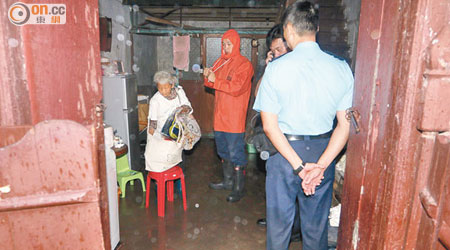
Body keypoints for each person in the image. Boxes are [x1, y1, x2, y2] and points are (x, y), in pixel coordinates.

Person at [253, 1, 354, 250]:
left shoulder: (276, 70)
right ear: (316, 28)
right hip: (323, 152)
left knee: (279, 230)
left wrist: (299, 167)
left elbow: (268, 126)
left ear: (288, 29)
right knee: (315, 230)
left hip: (284, 153)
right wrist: (319, 166)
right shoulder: (341, 68)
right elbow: (344, 125)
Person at [253, 24, 301, 243]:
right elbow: (258, 96)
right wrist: (269, 68)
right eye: (273, 52)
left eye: (280, 50)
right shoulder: (275, 68)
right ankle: (279, 223)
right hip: (275, 139)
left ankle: (294, 228)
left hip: (298, 139)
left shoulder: (300, 69)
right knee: (278, 192)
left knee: (299, 191)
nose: (277, 55)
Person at [203, 29, 254, 202]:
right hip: (220, 118)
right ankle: (227, 181)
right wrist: (207, 75)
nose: (225, 47)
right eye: (223, 43)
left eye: (229, 43)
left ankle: (239, 188)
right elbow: (210, 83)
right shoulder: (220, 62)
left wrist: (214, 80)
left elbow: (236, 88)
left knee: (236, 153)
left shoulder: (244, 64)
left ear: (236, 44)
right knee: (223, 151)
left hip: (234, 119)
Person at [145, 71, 193, 173]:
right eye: (160, 88)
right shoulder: (155, 100)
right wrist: (150, 141)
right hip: (163, 135)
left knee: (179, 160)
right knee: (164, 162)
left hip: (179, 132)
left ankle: (179, 184)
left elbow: (188, 107)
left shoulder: (179, 92)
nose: (162, 91)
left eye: (165, 88)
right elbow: (153, 123)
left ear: (171, 85)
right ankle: (161, 186)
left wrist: (181, 110)